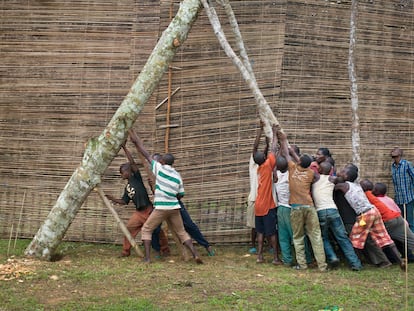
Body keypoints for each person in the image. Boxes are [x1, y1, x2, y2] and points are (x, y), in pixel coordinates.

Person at [129, 132, 202, 264]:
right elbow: (181, 195)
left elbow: (146, 155)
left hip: (161, 207)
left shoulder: (159, 168)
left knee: (146, 229)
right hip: (174, 207)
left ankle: (147, 258)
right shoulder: (177, 175)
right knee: (181, 232)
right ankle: (195, 254)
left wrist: (136, 142)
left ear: (162, 161)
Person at [333, 164, 405, 270]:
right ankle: (400, 261)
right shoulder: (357, 185)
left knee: (354, 239)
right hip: (374, 211)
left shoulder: (343, 186)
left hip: (364, 215)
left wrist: (336, 174)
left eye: (343, 172)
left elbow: (334, 183)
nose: (341, 172)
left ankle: (356, 264)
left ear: (347, 177)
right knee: (384, 237)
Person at [105, 144, 169, 258]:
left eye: (122, 172)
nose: (121, 175)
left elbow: (132, 162)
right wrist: (112, 198)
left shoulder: (136, 178)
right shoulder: (128, 188)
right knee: (129, 229)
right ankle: (126, 251)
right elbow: (124, 201)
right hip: (139, 212)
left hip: (148, 209)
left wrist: (124, 148)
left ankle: (164, 250)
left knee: (157, 231)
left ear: (128, 171)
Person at [278, 130, 328, 272]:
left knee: (298, 237)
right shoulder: (311, 173)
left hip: (296, 207)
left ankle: (302, 264)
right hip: (309, 207)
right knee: (316, 236)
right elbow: (297, 158)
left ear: (298, 162)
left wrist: (283, 139)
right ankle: (322, 266)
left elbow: (288, 154)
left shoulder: (292, 168)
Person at [312, 162, 362, 271]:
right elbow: (342, 178)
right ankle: (355, 264)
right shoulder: (333, 179)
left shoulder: (315, 177)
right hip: (333, 210)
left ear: (319, 169)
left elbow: (306, 168)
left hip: (320, 211)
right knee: (343, 238)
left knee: (323, 237)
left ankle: (332, 257)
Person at [334, 187, 391, 268]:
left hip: (352, 218)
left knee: (355, 241)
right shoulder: (353, 186)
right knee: (367, 240)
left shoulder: (342, 186)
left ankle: (357, 262)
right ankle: (381, 260)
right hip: (359, 216)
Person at [361, 179, 414, 264]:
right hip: (398, 218)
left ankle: (385, 261)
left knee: (375, 239)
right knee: (410, 239)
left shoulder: (365, 197)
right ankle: (404, 257)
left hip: (387, 221)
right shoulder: (388, 199)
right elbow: (398, 210)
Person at [252, 122, 282, 265]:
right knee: (272, 233)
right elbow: (274, 148)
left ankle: (259, 256)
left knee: (260, 232)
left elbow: (254, 148)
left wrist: (259, 130)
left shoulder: (258, 168)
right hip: (267, 207)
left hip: (258, 206)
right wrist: (275, 133)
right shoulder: (267, 166)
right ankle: (276, 258)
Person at [390, 147, 414, 232]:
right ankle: (404, 240)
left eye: (395, 155)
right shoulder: (392, 167)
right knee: (401, 221)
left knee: (410, 221)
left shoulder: (407, 164)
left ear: (400, 155)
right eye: (392, 156)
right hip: (399, 199)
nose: (394, 158)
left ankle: (412, 241)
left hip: (409, 197)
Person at [247, 154, 258, 254]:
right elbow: (255, 149)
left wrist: (268, 143)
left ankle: (270, 245)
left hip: (264, 200)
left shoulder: (267, 167)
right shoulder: (253, 168)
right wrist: (258, 137)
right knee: (253, 226)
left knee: (267, 225)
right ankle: (253, 245)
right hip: (254, 199)